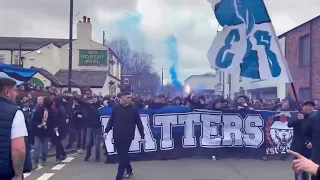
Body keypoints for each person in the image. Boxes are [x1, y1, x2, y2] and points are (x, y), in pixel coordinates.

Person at [104, 91, 145, 180]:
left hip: (128, 136)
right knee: (122, 154)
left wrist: (142, 136)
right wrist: (106, 131)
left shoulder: (133, 109)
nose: (130, 99)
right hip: (117, 135)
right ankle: (129, 169)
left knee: (123, 156)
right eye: (128, 97)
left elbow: (139, 123)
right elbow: (111, 120)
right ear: (122, 98)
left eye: (130, 97)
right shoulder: (116, 108)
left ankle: (119, 177)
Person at [0, 78, 29, 180]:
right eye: (15, 90)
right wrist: (18, 174)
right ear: (7, 92)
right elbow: (18, 148)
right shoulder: (15, 112)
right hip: (4, 172)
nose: (16, 94)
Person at [288, 101, 314, 180]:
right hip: (297, 148)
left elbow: (315, 132)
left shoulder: (314, 117)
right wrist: (297, 119)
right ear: (302, 107)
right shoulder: (296, 115)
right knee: (298, 170)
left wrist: (312, 143)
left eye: (311, 106)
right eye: (307, 105)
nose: (309, 108)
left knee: (306, 169)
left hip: (308, 149)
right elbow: (289, 124)